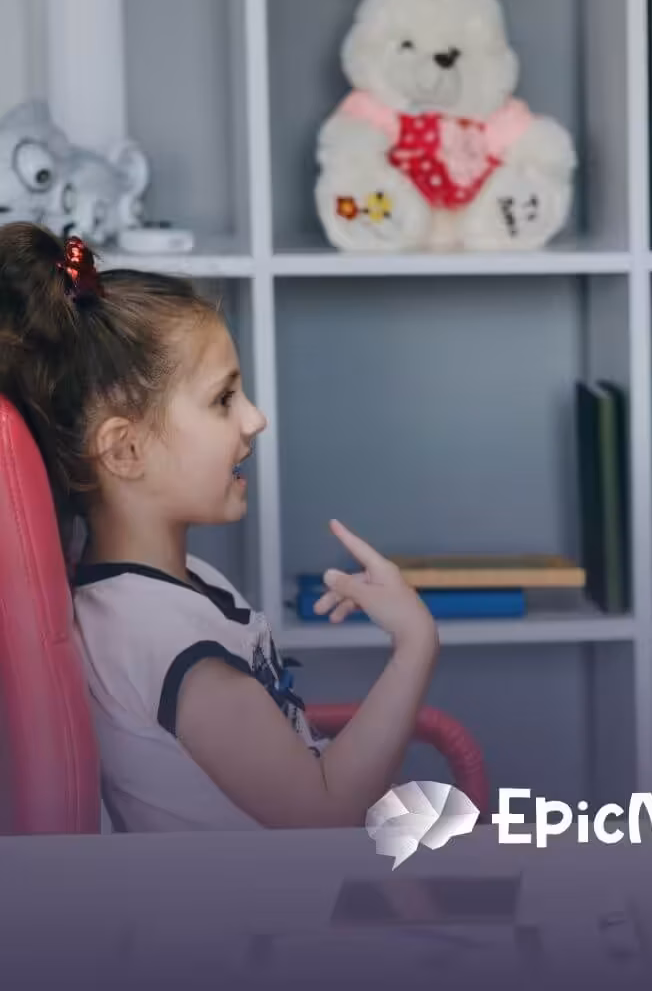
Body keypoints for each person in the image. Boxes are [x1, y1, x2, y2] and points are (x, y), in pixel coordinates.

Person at [0, 223, 439, 831]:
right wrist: (415, 643)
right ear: (125, 451)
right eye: (223, 399)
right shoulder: (163, 638)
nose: (254, 419)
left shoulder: (179, 589)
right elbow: (325, 813)